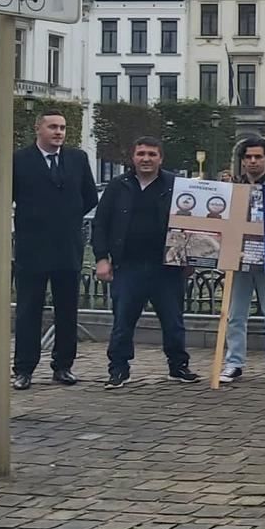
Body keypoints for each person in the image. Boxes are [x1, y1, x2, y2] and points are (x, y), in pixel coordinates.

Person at [92, 137, 196, 388]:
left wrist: (191, 257)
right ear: (133, 157)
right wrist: (101, 259)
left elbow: (193, 222)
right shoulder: (118, 186)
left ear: (161, 158)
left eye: (151, 154)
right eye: (141, 153)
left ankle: (178, 366)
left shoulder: (176, 185)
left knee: (173, 321)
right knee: (122, 322)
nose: (146, 158)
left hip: (167, 266)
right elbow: (101, 223)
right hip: (128, 265)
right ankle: (118, 369)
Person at [11, 110, 99, 389]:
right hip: (32, 247)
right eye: (52, 127)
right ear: (38, 129)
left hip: (67, 246)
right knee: (28, 310)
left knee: (67, 309)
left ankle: (63, 366)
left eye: (62, 127)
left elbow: (89, 197)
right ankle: (23, 369)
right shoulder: (19, 160)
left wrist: (67, 218)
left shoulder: (77, 159)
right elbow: (8, 195)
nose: (59, 132)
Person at [218, 138, 265, 385]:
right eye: (248, 157)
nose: (253, 161)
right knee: (235, 314)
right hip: (238, 257)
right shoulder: (232, 187)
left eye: (258, 157)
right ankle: (234, 362)